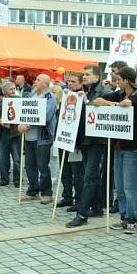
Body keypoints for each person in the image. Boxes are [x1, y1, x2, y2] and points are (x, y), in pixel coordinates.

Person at [95, 66, 137, 234]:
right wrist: (114, 103)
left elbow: (130, 104)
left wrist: (119, 104)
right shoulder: (119, 94)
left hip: (133, 147)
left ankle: (134, 219)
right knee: (119, 185)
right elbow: (97, 101)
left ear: (126, 80)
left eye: (118, 79)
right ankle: (124, 217)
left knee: (130, 186)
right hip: (118, 147)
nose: (116, 82)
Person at [66, 66, 109, 228]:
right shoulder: (86, 90)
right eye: (83, 74)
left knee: (89, 176)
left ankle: (82, 214)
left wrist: (86, 102)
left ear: (97, 77)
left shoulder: (103, 92)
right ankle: (97, 207)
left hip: (97, 140)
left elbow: (102, 112)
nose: (84, 77)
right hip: (85, 139)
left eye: (87, 74)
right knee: (92, 176)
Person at [18, 74, 57, 203]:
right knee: (29, 166)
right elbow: (23, 112)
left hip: (42, 138)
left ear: (45, 84)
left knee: (42, 166)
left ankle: (47, 193)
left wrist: (27, 125)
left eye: (38, 80)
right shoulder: (31, 96)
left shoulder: (50, 98)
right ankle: (33, 191)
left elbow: (45, 117)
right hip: (29, 138)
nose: (35, 82)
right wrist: (20, 123)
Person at [58, 73, 85, 212]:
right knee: (65, 171)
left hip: (76, 142)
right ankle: (67, 196)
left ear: (80, 84)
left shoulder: (82, 98)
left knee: (77, 173)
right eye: (68, 81)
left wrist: (79, 143)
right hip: (64, 138)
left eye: (73, 81)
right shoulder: (65, 96)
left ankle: (79, 200)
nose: (70, 83)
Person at [0, 82, 21, 187]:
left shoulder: (20, 100)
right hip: (3, 133)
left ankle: (17, 179)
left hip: (16, 133)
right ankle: (4, 179)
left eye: (14, 88)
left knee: (17, 159)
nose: (14, 91)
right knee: (3, 158)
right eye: (11, 89)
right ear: (5, 91)